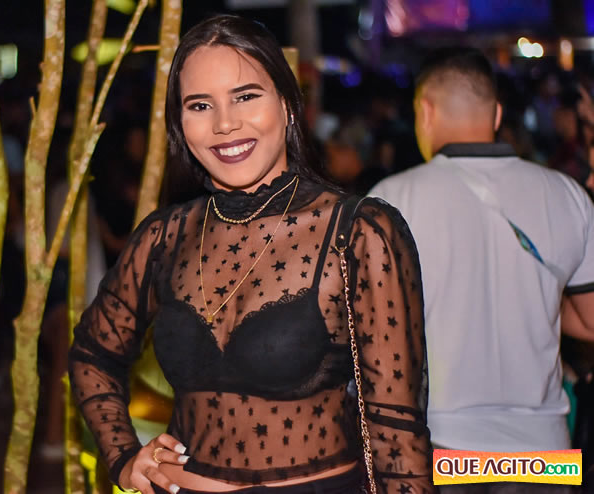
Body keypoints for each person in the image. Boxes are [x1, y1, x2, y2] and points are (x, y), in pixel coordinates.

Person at [70, 15, 433, 494]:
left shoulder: (357, 232)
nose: (225, 124)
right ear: (180, 123)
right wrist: (122, 456)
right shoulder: (165, 236)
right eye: (201, 105)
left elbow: (396, 429)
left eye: (245, 97)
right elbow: (92, 354)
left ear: (286, 105)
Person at [369, 47, 594, 482]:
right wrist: (534, 299)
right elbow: (589, 322)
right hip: (546, 449)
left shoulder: (390, 199)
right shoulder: (568, 195)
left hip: (440, 445)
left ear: (425, 112)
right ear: (497, 114)